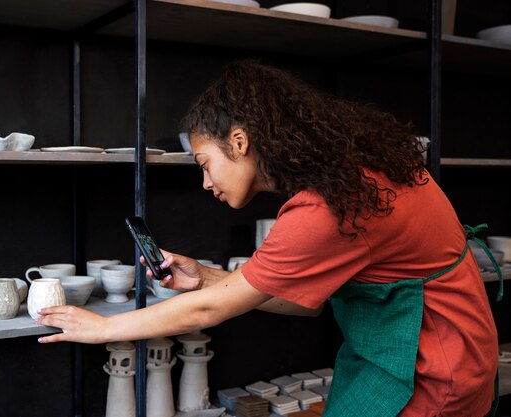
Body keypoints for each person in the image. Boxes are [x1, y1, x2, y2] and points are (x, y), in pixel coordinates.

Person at [38, 61, 500, 417]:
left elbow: (209, 311)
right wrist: (207, 277)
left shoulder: (326, 208)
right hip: (425, 349)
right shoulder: (357, 175)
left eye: (204, 163)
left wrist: (102, 328)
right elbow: (303, 301)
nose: (206, 183)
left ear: (239, 142)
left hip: (433, 369)